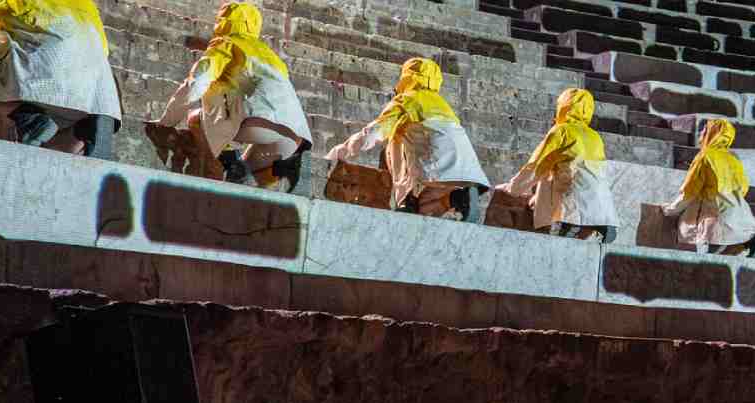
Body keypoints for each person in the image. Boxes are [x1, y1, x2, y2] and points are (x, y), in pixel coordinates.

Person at [0, 0, 123, 159]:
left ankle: (27, 116)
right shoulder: (85, 4)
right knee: (53, 148)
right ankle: (82, 133)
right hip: (100, 98)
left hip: (47, 76)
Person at [150, 2, 312, 192]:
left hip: (260, 125)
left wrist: (165, 123)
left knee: (197, 114)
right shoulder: (271, 56)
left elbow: (195, 85)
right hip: (294, 141)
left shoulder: (227, 43)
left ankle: (221, 159)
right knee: (238, 175)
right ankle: (235, 169)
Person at [324, 57, 490, 223]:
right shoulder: (443, 105)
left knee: (395, 137)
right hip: (469, 173)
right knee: (424, 205)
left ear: (407, 77)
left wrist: (340, 152)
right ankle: (457, 198)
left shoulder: (407, 99)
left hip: (438, 165)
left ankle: (406, 200)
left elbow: (374, 133)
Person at [495, 88, 619, 236]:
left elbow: (537, 166)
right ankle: (600, 224)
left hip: (574, 199)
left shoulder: (561, 131)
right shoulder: (595, 137)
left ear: (564, 106)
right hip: (600, 203)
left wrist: (512, 189)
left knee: (565, 234)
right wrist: (538, 198)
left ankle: (572, 225)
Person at [662, 119, 755, 254]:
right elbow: (744, 187)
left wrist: (670, 209)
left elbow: (689, 190)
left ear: (713, 133)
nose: (701, 133)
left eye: (705, 129)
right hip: (738, 210)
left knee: (694, 232)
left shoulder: (705, 155)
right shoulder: (733, 159)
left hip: (714, 210)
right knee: (721, 250)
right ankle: (746, 243)